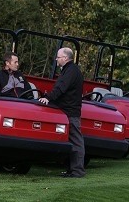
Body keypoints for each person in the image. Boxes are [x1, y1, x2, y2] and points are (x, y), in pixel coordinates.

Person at [39, 47, 85, 178]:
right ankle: (72, 169)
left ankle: (77, 171)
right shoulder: (70, 70)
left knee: (76, 140)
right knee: (72, 140)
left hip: (70, 111)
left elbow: (61, 87)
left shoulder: (70, 71)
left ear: (65, 58)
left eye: (58, 57)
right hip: (69, 110)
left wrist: (48, 98)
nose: (56, 59)